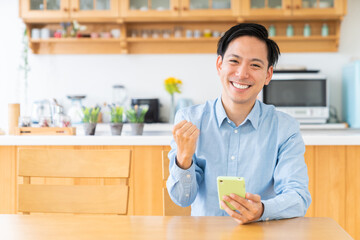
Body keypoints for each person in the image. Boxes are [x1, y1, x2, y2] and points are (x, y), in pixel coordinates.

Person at [166, 23, 311, 224]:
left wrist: (262, 210)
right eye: (234, 61)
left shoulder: (285, 128)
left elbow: (299, 198)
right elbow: (182, 199)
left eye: (255, 65)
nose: (242, 74)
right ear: (219, 65)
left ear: (268, 75)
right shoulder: (190, 120)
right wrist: (183, 160)